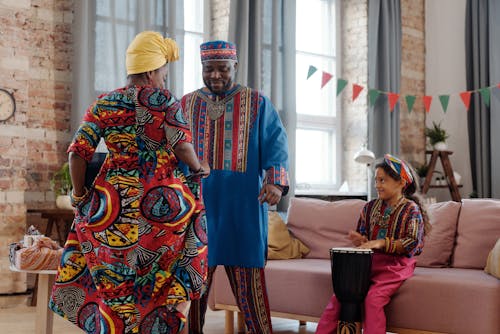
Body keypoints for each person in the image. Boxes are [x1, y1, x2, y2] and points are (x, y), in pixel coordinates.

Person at [49, 31, 210, 334]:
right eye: (163, 72)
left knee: (115, 279)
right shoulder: (164, 101)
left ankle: (115, 326)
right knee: (191, 239)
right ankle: (168, 319)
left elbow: (77, 153)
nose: (164, 79)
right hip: (163, 210)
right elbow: (181, 146)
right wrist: (200, 166)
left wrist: (81, 196)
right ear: (151, 71)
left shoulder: (104, 102)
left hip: (112, 208)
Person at [181, 40, 290, 334]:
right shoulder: (185, 104)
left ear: (235, 67)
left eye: (223, 69)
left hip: (243, 211)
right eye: (209, 68)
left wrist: (276, 183)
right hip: (197, 212)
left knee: (251, 292)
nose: (215, 75)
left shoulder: (257, 103)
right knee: (192, 291)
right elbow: (172, 152)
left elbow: (276, 147)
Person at [316, 154, 431, 334]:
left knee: (373, 299)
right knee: (341, 295)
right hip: (368, 263)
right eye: (376, 180)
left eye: (382, 180)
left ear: (400, 182)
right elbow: (364, 236)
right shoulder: (369, 207)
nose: (377, 185)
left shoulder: (411, 209)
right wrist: (361, 240)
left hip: (396, 266)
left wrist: (381, 243)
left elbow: (411, 243)